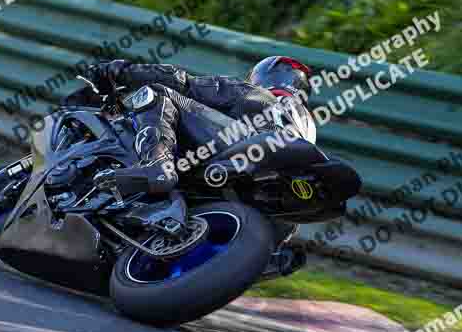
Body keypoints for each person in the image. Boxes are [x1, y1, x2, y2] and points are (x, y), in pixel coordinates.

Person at [84, 56, 314, 272]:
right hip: (269, 206)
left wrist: (119, 71)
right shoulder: (307, 128)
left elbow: (182, 82)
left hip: (236, 151)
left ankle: (157, 164)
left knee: (157, 94)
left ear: (264, 77)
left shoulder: (258, 94)